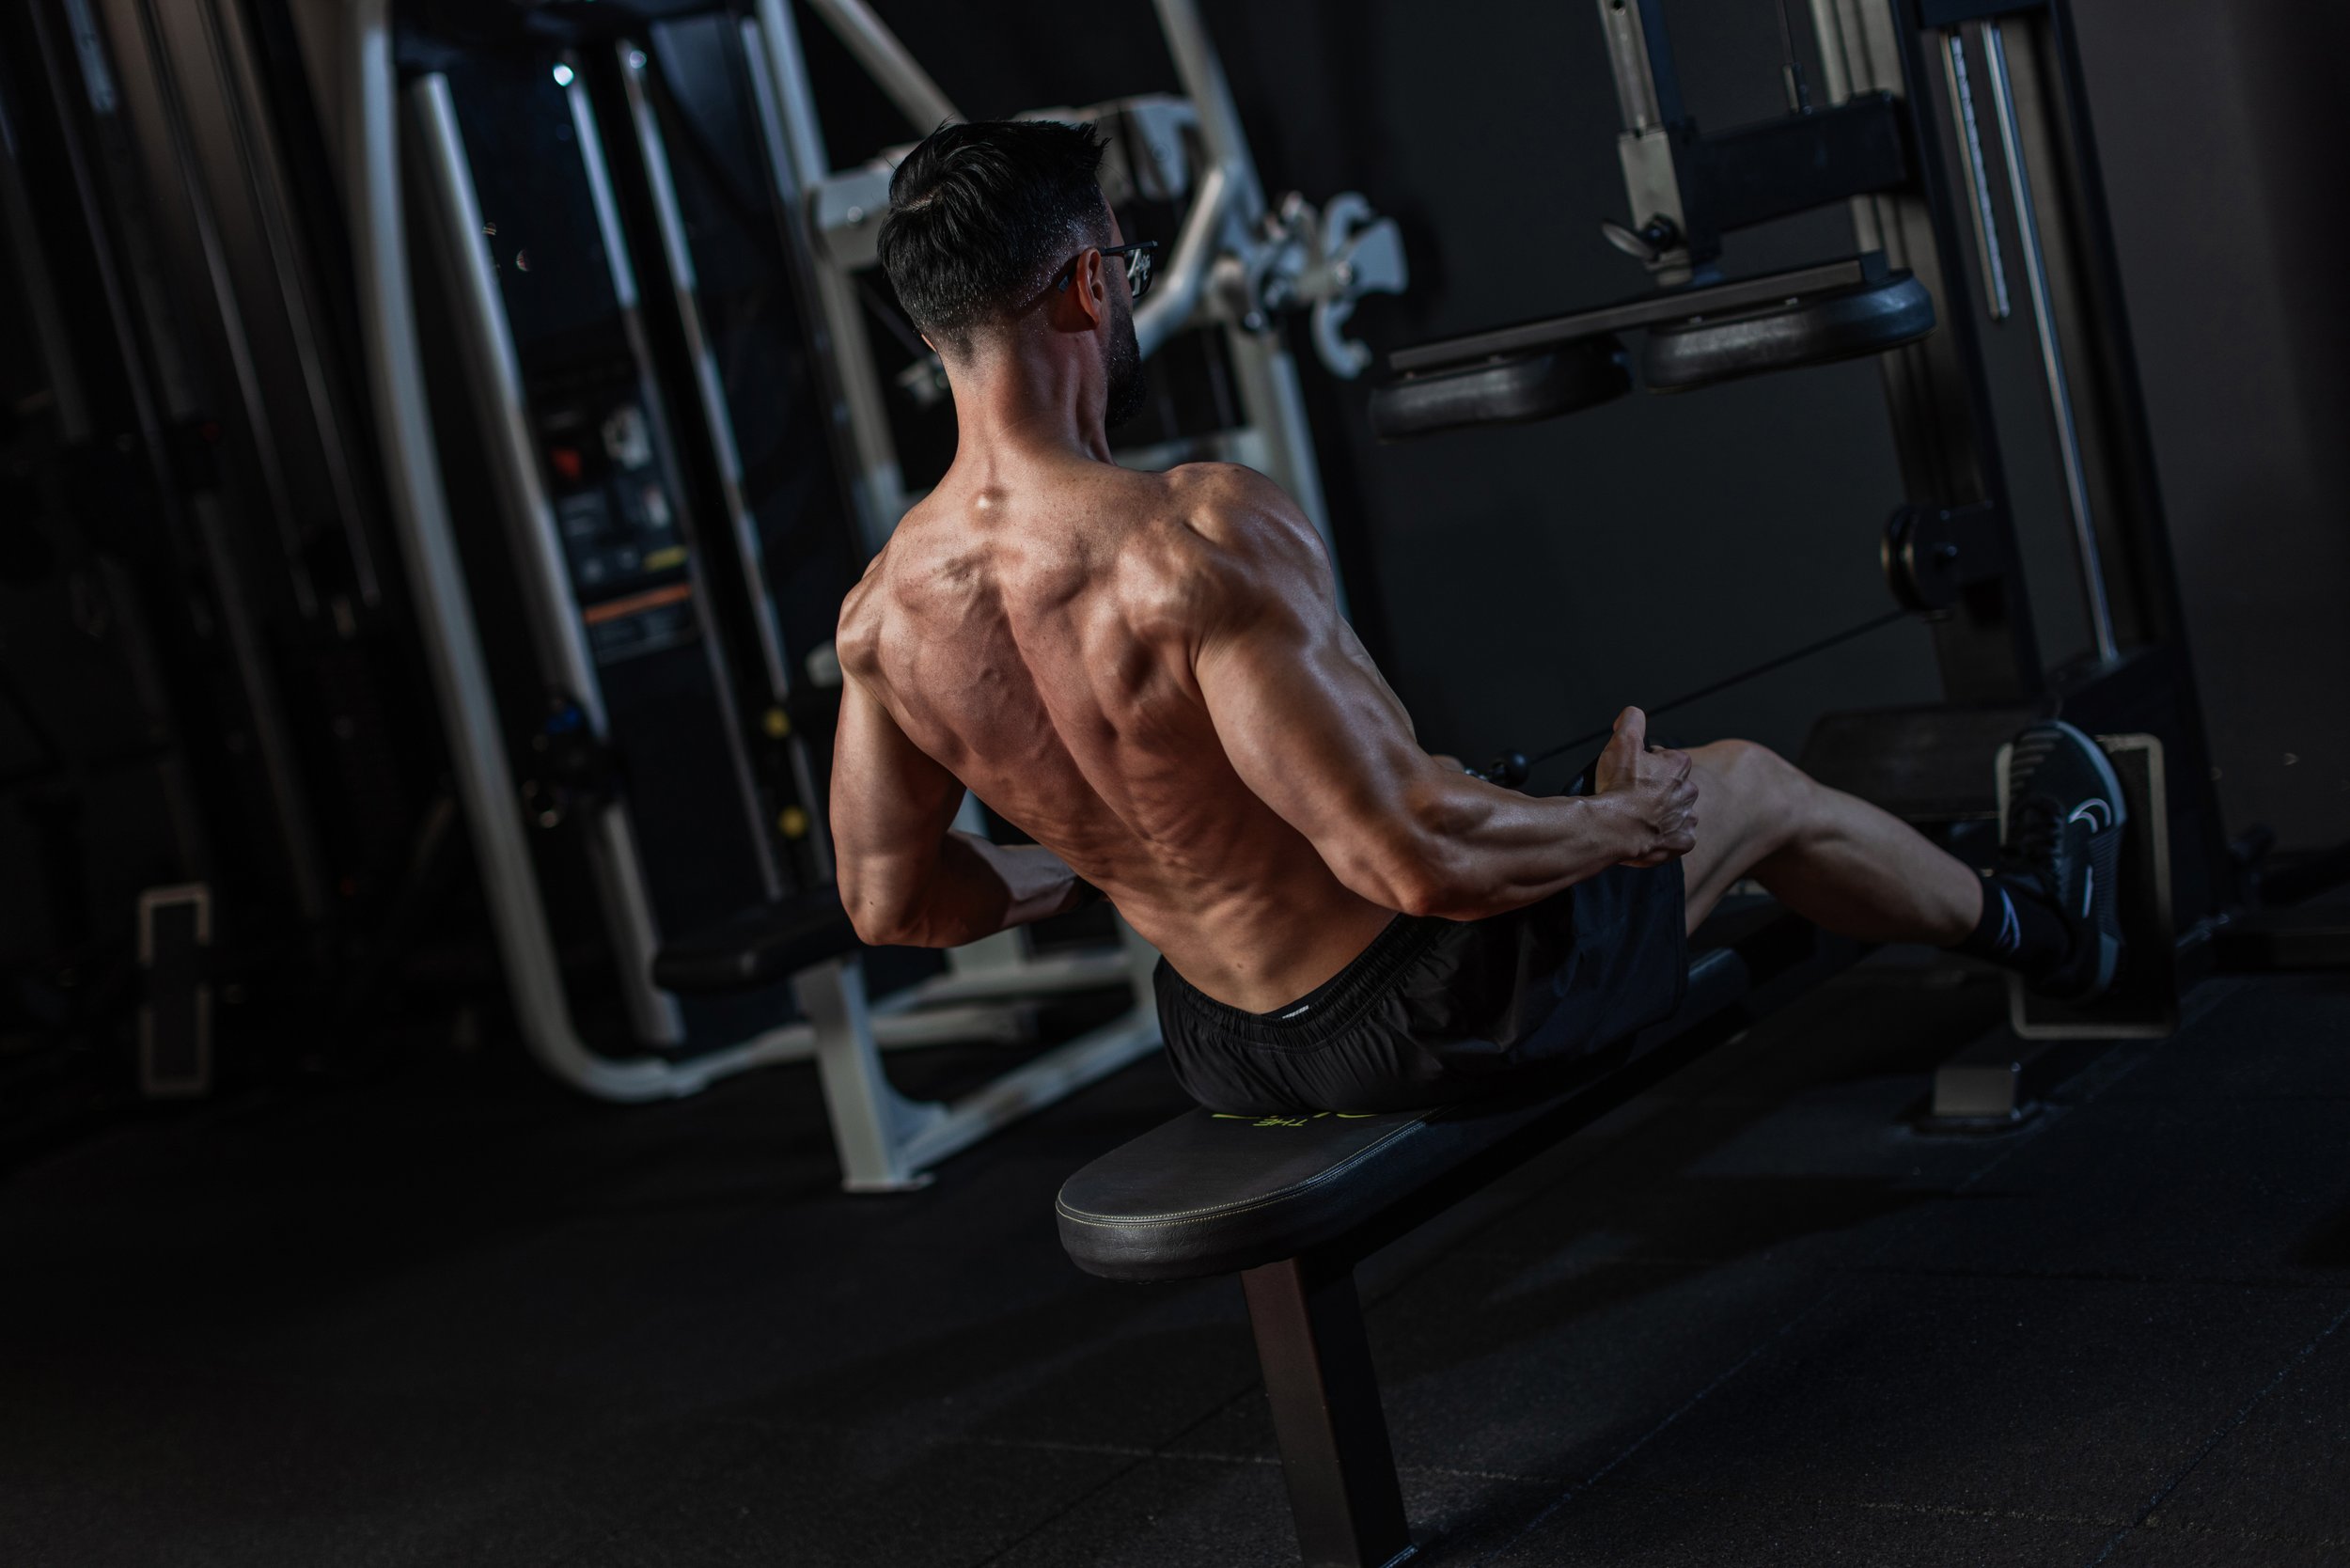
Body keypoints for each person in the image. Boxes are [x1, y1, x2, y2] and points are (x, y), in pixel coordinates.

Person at [827, 118, 2127, 1115]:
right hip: (1443, 1012)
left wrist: (1087, 859)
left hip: (1225, 1047)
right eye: (1126, 262)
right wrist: (1612, 826)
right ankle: (2058, 933)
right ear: (1085, 290)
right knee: (1737, 786)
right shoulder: (1188, 536)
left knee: (1486, 798)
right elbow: (1408, 864)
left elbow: (892, 904)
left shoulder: (882, 622)